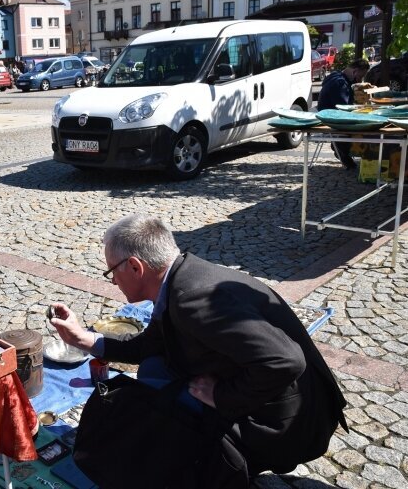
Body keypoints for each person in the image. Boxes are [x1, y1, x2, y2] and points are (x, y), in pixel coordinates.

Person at [50, 214, 348, 486]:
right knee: (154, 367)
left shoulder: (193, 300)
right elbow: (149, 345)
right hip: (283, 394)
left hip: (289, 420)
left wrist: (220, 395)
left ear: (135, 266)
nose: (113, 280)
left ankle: (203, 467)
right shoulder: (182, 276)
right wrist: (82, 338)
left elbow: (286, 361)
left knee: (148, 403)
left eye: (111, 272)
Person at [317, 59, 370, 169]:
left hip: (328, 114)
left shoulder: (337, 76)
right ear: (355, 72)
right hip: (331, 118)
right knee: (365, 126)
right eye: (361, 76)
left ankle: (340, 148)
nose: (360, 80)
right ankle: (342, 149)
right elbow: (344, 108)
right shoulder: (340, 83)